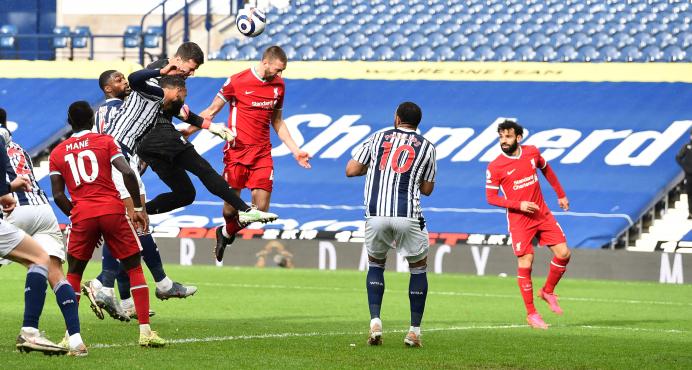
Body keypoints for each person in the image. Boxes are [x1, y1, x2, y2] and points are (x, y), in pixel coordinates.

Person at [105, 42, 277, 232]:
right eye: (191, 68)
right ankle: (244, 209)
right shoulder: (159, 73)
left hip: (146, 143)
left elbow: (179, 111)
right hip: (158, 135)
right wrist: (161, 72)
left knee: (186, 194)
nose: (191, 74)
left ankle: (134, 213)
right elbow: (138, 81)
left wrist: (209, 126)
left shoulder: (170, 79)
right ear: (179, 60)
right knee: (204, 170)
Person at [49, 101, 166, 347]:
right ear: (93, 120)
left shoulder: (58, 152)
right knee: (134, 267)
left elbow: (58, 195)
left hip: (82, 213)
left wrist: (77, 215)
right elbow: (127, 172)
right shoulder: (106, 141)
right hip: (112, 210)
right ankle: (145, 332)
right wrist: (136, 207)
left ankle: (70, 336)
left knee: (73, 273)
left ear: (69, 123)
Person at [83, 69, 194, 323]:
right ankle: (106, 285)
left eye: (124, 78)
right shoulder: (118, 109)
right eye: (118, 80)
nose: (124, 83)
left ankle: (123, 296)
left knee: (125, 229)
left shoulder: (103, 113)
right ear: (108, 89)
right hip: (120, 162)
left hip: (110, 166)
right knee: (137, 223)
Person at [192, 45, 310, 262]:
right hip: (236, 152)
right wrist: (188, 131)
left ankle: (226, 232)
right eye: (277, 69)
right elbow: (211, 110)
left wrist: (296, 151)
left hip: (262, 153)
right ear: (265, 62)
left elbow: (277, 121)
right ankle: (227, 227)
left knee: (261, 209)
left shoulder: (278, 86)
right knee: (230, 210)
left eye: (282, 71)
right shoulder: (237, 81)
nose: (279, 74)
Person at [346, 102, 437, 348]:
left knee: (376, 265)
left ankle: (375, 322)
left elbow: (351, 169)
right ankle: (414, 331)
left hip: (376, 214)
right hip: (408, 214)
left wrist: (375, 168)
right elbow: (427, 189)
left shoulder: (378, 137)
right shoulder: (427, 147)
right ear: (418, 123)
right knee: (418, 269)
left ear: (397, 118)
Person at [0, 127, 86, 356]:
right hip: (42, 210)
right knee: (54, 272)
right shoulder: (21, 150)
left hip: (12, 210)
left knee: (34, 260)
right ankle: (76, 340)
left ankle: (30, 330)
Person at [485, 119, 571, 330]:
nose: (504, 141)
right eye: (501, 137)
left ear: (519, 138)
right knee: (526, 261)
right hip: (519, 220)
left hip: (542, 214)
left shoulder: (532, 152)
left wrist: (561, 195)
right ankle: (532, 314)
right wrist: (519, 204)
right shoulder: (495, 166)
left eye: (508, 136)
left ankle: (547, 291)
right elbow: (491, 197)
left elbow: (547, 170)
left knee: (564, 253)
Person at [675, 130, 692, 219]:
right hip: (689, 175)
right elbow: (678, 157)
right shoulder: (687, 146)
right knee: (689, 193)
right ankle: (691, 213)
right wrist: (685, 166)